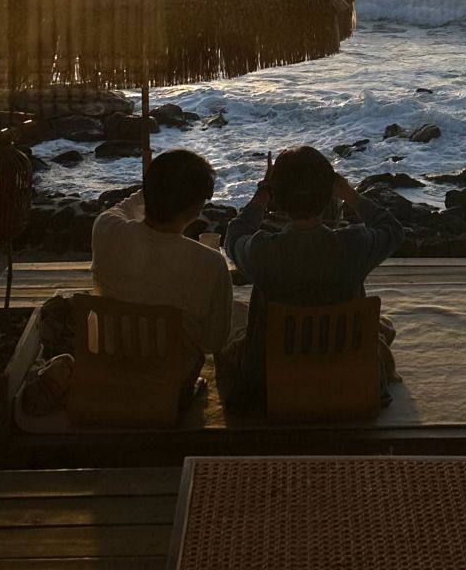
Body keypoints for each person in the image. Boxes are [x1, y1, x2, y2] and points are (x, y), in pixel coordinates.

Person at [217, 145, 405, 412]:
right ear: (329, 193)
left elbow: (235, 235)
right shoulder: (354, 245)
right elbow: (392, 230)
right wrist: (349, 194)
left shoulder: (263, 252)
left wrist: (262, 195)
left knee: (232, 316)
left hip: (272, 385)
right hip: (348, 380)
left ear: (278, 200)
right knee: (379, 326)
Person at [90, 149, 232, 407]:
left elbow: (123, 208)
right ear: (196, 207)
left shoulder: (105, 229)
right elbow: (213, 342)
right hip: (171, 388)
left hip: (110, 371)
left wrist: (158, 184)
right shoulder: (210, 263)